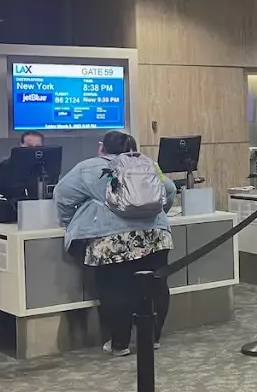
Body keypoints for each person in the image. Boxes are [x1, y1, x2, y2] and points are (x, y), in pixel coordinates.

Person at [54, 131, 176, 357]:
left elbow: (62, 195)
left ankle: (120, 344)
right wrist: (156, 213)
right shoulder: (149, 165)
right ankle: (152, 338)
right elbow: (169, 190)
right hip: (156, 236)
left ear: (102, 148)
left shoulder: (88, 168)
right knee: (155, 287)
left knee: (116, 291)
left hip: (112, 240)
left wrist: (70, 222)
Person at [0, 130, 45, 223]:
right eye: (29, 147)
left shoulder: (46, 166)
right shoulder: (7, 166)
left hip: (37, 218)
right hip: (8, 218)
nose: (33, 150)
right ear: (21, 145)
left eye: (38, 147)